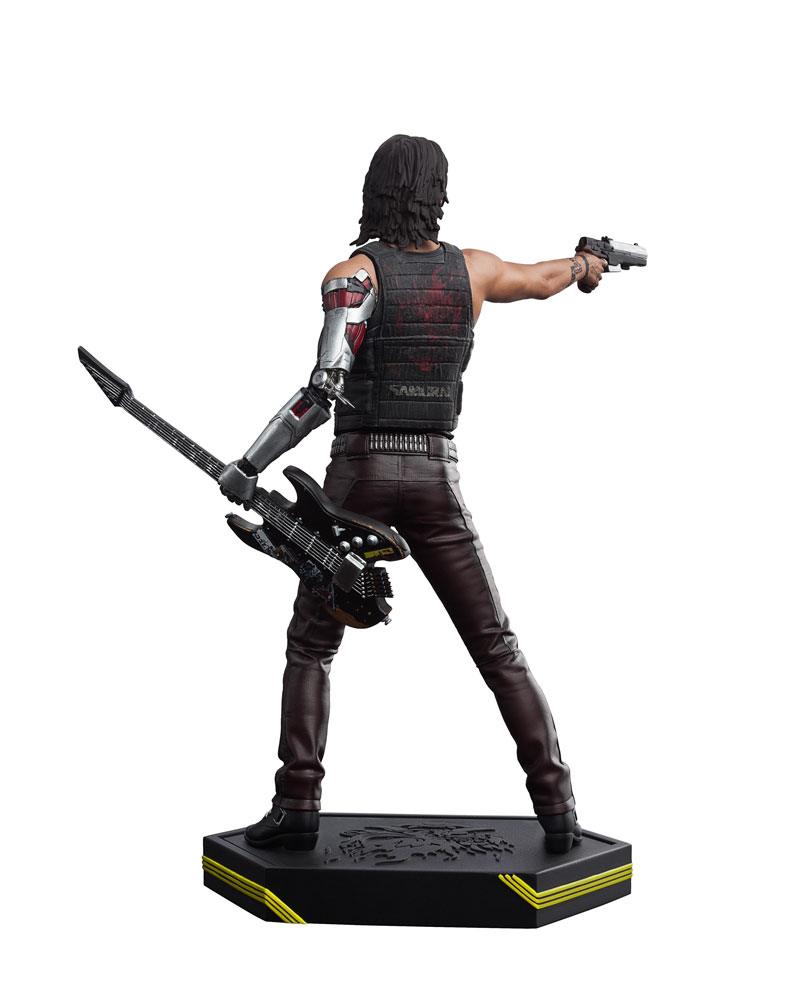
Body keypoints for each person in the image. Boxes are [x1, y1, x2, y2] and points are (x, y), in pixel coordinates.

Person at [219, 134, 607, 854]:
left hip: (357, 481)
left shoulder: (353, 276)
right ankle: (558, 810)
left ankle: (298, 802)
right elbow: (544, 278)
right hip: (434, 478)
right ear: (438, 194)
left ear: (376, 190)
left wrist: (251, 462)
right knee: (496, 646)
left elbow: (320, 393)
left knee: (313, 644)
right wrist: (585, 265)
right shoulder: (475, 271)